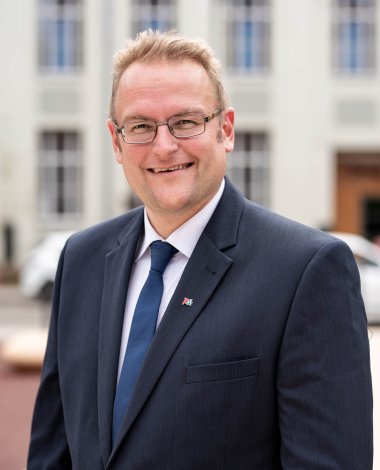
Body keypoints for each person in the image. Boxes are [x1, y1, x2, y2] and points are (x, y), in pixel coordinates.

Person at [28, 30, 373, 469]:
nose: (164, 145)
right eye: (140, 127)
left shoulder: (306, 270)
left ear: (225, 130)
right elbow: (51, 453)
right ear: (116, 142)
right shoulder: (81, 259)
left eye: (186, 121)